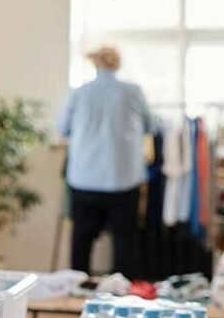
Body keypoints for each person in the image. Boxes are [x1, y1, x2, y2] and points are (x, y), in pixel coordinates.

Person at [57, 46, 159, 277]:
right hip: (123, 179)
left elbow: (62, 128)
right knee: (125, 245)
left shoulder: (79, 93)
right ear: (117, 64)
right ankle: (124, 298)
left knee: (81, 243)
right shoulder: (133, 92)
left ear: (95, 64)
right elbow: (150, 126)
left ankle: (77, 293)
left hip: (84, 178)